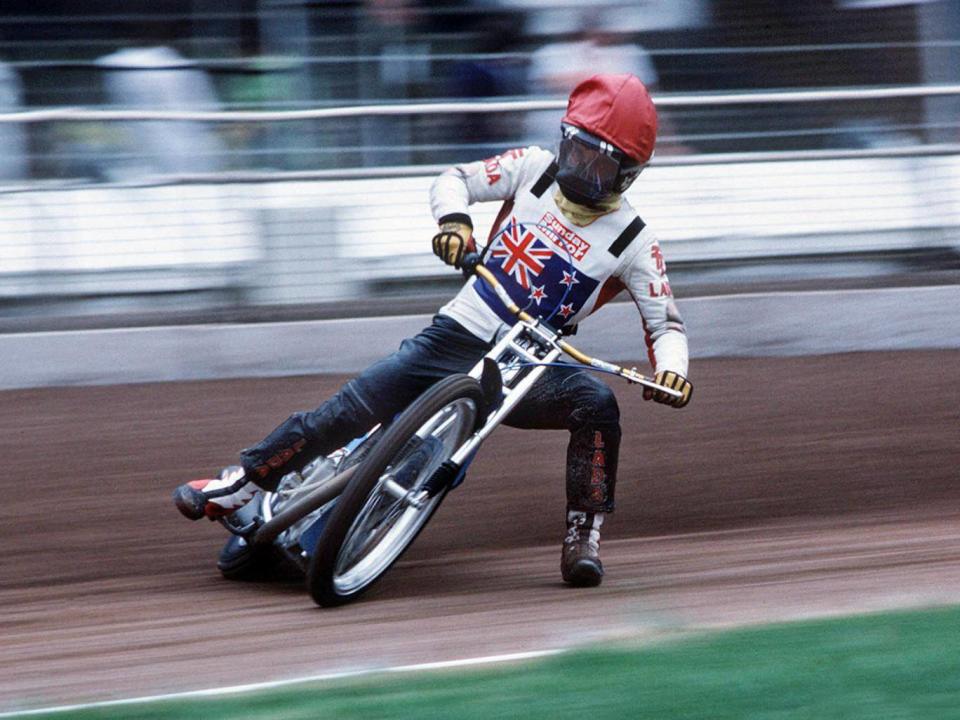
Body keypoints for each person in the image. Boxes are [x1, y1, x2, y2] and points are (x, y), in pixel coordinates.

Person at [174, 73, 692, 588]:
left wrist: (671, 372)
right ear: (564, 137)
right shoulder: (533, 168)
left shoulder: (635, 241)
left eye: (601, 165)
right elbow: (454, 179)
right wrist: (455, 223)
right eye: (579, 151)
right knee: (348, 408)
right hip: (458, 330)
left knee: (597, 405)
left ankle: (584, 532)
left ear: (628, 174)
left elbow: (665, 322)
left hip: (529, 366)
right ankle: (241, 483)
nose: (582, 169)